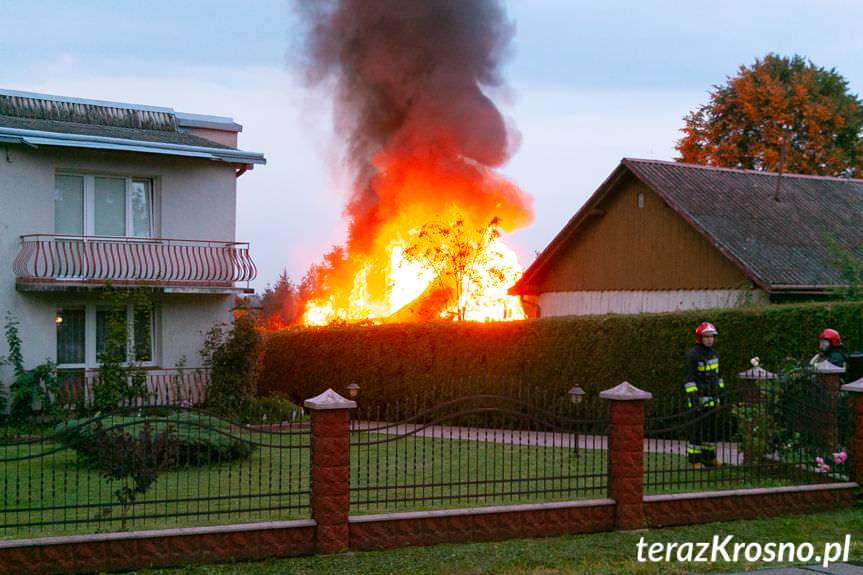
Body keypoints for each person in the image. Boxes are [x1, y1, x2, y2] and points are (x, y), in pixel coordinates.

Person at [683, 322, 725, 469]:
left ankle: (710, 457)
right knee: (697, 431)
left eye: (712, 336)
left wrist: (721, 392)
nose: (709, 339)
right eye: (706, 337)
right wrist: (694, 399)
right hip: (698, 399)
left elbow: (718, 376)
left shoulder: (714, 353)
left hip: (713, 398)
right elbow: (689, 379)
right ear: (700, 338)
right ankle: (695, 460)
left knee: (711, 431)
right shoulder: (692, 355)